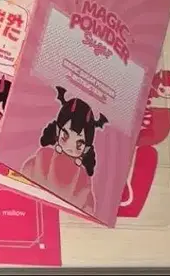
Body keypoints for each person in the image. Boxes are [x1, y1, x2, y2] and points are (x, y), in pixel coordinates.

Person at [21, 87, 108, 216]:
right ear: (58, 131)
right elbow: (25, 172)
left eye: (79, 143)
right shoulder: (43, 156)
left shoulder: (83, 177)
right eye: (65, 136)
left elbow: (88, 206)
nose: (70, 147)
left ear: (87, 148)